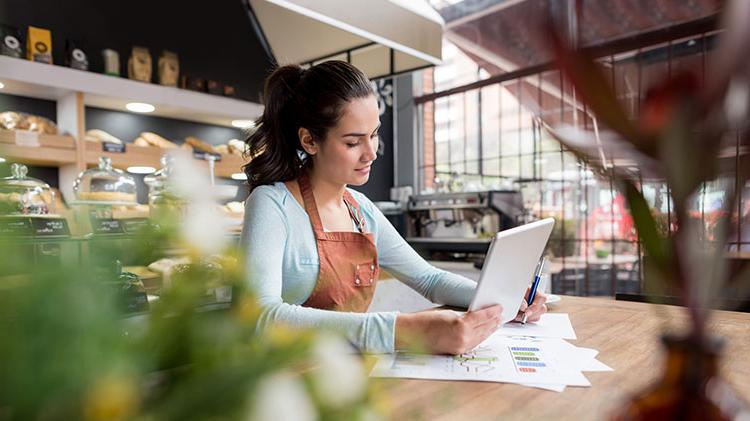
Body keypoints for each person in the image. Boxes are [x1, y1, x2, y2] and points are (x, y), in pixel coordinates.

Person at [241, 61, 546, 354]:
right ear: (309, 140)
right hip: (285, 380)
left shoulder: (361, 210)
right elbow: (261, 318)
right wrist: (404, 330)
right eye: (352, 142)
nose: (371, 153)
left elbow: (430, 279)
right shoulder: (272, 204)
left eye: (374, 134)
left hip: (344, 377)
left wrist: (502, 299)